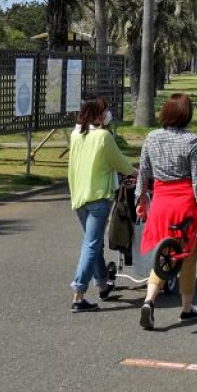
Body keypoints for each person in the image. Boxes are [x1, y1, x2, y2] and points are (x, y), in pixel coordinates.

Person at [137, 93, 197, 329]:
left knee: (165, 257)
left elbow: (142, 172)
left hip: (161, 202)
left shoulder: (151, 138)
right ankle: (186, 309)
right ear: (186, 115)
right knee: (188, 258)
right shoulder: (191, 142)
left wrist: (141, 200)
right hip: (185, 204)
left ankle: (149, 300)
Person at [67, 97, 132, 312]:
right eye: (105, 111)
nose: (108, 114)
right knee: (92, 244)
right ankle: (79, 294)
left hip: (79, 198)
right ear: (97, 115)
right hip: (98, 198)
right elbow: (120, 163)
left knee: (92, 243)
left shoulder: (76, 135)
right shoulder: (104, 137)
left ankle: (103, 283)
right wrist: (139, 173)